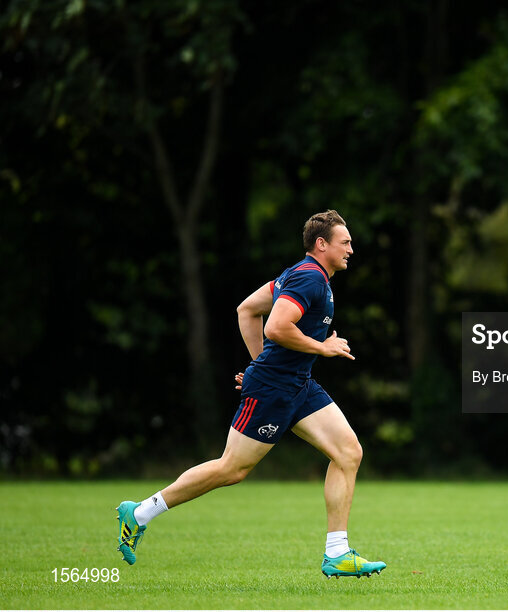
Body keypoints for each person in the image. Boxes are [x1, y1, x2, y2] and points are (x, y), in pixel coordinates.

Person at [115, 210, 385, 578]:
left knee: (348, 452)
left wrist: (261, 364)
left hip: (297, 385)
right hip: (275, 389)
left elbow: (247, 310)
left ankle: (337, 552)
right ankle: (140, 513)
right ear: (321, 244)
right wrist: (312, 352)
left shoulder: (302, 275)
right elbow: (275, 326)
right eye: (346, 242)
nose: (351, 249)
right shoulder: (309, 279)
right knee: (232, 469)